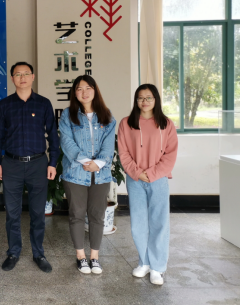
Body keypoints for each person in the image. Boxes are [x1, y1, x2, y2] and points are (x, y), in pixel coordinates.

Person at [0, 62, 60, 273]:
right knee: (12, 213)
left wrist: (52, 162)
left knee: (38, 213)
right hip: (11, 164)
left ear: (32, 77)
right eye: (18, 74)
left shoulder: (43, 103)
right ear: (12, 79)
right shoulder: (5, 105)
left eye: (26, 74)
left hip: (38, 164)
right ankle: (13, 252)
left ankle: (38, 253)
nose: (22, 77)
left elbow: (53, 135)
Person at [118, 84, 178, 286]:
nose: (144, 101)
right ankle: (144, 262)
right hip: (135, 180)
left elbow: (170, 155)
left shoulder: (166, 124)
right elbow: (124, 153)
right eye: (140, 98)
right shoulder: (126, 123)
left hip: (158, 179)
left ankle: (157, 267)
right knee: (138, 223)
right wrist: (137, 173)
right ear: (136, 100)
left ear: (156, 100)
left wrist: (151, 174)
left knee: (159, 222)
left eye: (149, 97)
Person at [59, 75, 116, 275]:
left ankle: (95, 257)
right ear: (74, 93)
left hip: (101, 174)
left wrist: (98, 163)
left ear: (95, 90)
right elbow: (66, 141)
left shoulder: (106, 115)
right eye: (79, 88)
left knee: (97, 215)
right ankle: (81, 257)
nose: (84, 92)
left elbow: (109, 144)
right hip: (75, 172)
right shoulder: (68, 115)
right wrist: (84, 161)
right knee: (76, 214)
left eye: (88, 88)